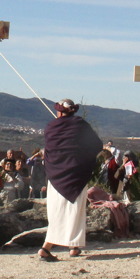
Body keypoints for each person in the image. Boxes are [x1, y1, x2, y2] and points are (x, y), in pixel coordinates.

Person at [38, 99, 103, 262]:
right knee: (75, 211)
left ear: (59, 112)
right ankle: (46, 248)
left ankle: (73, 246)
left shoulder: (51, 126)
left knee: (57, 211)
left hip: (56, 176)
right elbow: (96, 145)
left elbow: (50, 150)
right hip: (76, 175)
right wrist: (82, 157)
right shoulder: (80, 125)